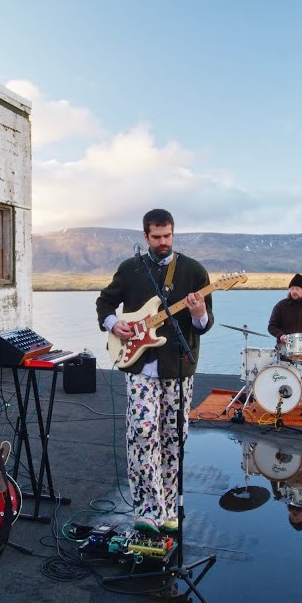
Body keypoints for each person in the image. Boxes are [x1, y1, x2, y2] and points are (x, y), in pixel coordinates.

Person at [95, 208, 214, 534]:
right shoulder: (131, 268)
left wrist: (200, 311)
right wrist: (114, 323)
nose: (163, 242)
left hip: (178, 369)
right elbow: (104, 302)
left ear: (173, 234)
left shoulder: (193, 271)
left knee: (173, 439)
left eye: (168, 236)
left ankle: (169, 508)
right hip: (141, 367)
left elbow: (204, 325)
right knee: (143, 434)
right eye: (156, 237)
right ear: (145, 236)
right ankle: (148, 510)